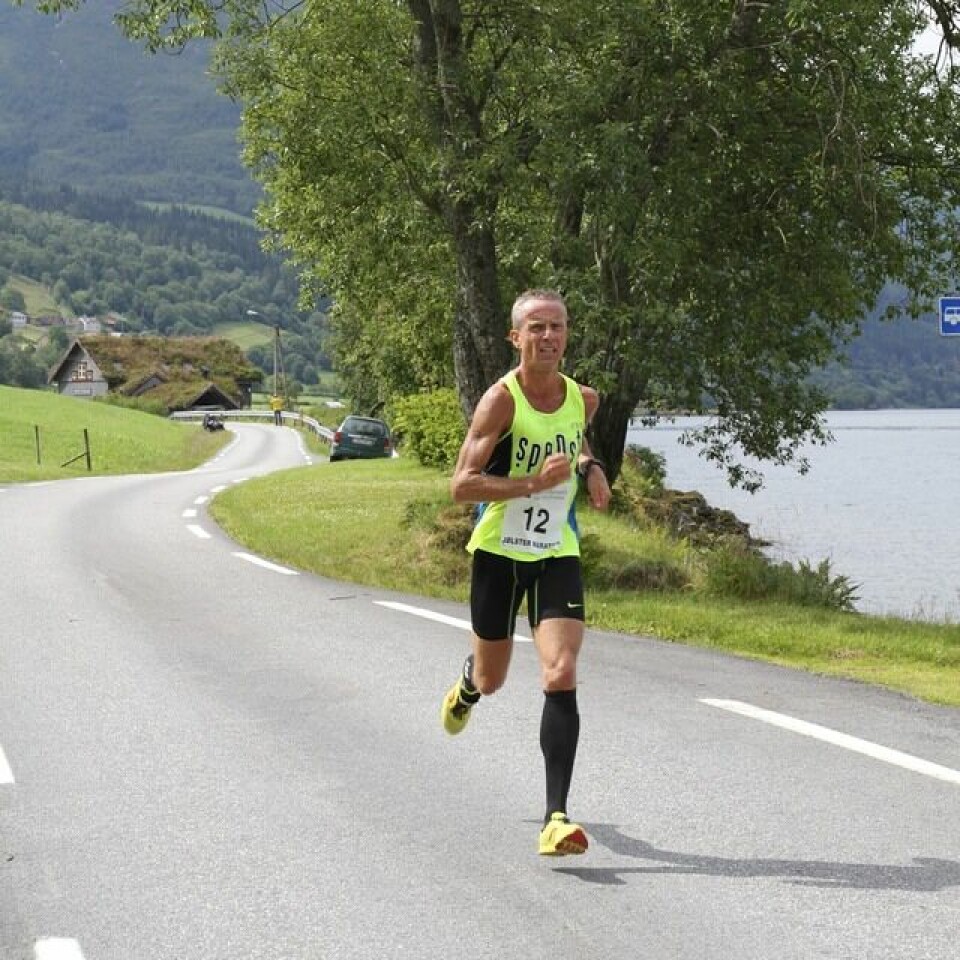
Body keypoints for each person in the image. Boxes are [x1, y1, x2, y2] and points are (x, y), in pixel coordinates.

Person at [440, 288, 611, 857]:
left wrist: (591, 468)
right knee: (493, 680)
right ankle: (467, 686)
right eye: (535, 328)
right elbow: (462, 485)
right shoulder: (500, 401)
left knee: (561, 670)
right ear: (516, 338)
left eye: (557, 327)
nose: (548, 337)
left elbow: (575, 442)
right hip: (498, 553)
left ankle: (555, 817)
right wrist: (530, 485)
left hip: (555, 551)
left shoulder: (583, 398)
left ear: (567, 334)